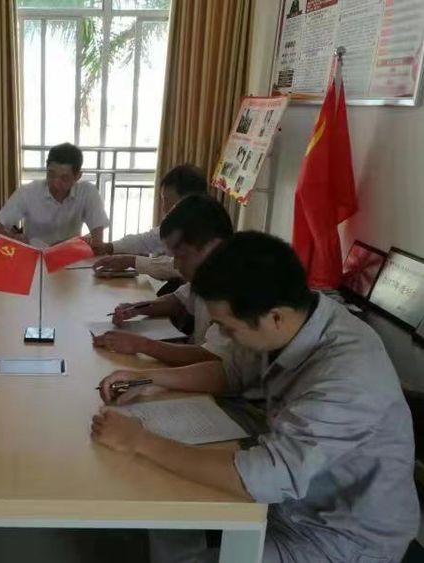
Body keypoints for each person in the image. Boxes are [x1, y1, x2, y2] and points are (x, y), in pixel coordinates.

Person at [92, 232, 420, 563]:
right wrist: (147, 379)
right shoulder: (293, 320)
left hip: (338, 539)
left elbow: (267, 475)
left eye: (229, 328)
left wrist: (141, 441)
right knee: (164, 493)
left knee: (165, 479)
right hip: (291, 502)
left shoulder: (347, 377)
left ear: (275, 317)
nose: (225, 337)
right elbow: (230, 372)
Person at [93, 195, 232, 366]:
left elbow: (211, 357)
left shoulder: (234, 290)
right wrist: (136, 308)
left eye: (181, 256)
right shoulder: (206, 278)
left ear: (212, 247)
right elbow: (178, 301)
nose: (176, 264)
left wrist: (141, 345)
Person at [92, 164, 207, 281]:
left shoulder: (207, 228)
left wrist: (131, 261)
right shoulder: (182, 223)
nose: (163, 208)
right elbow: (147, 240)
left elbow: (175, 267)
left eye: (166, 200)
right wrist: (109, 247)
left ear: (188, 201)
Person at [0, 142, 109, 247]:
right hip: (34, 256)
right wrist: (14, 239)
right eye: (51, 175)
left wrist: (79, 243)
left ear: (78, 176)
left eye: (64, 178)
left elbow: (98, 241)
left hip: (70, 257)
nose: (55, 183)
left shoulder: (87, 192)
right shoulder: (28, 192)